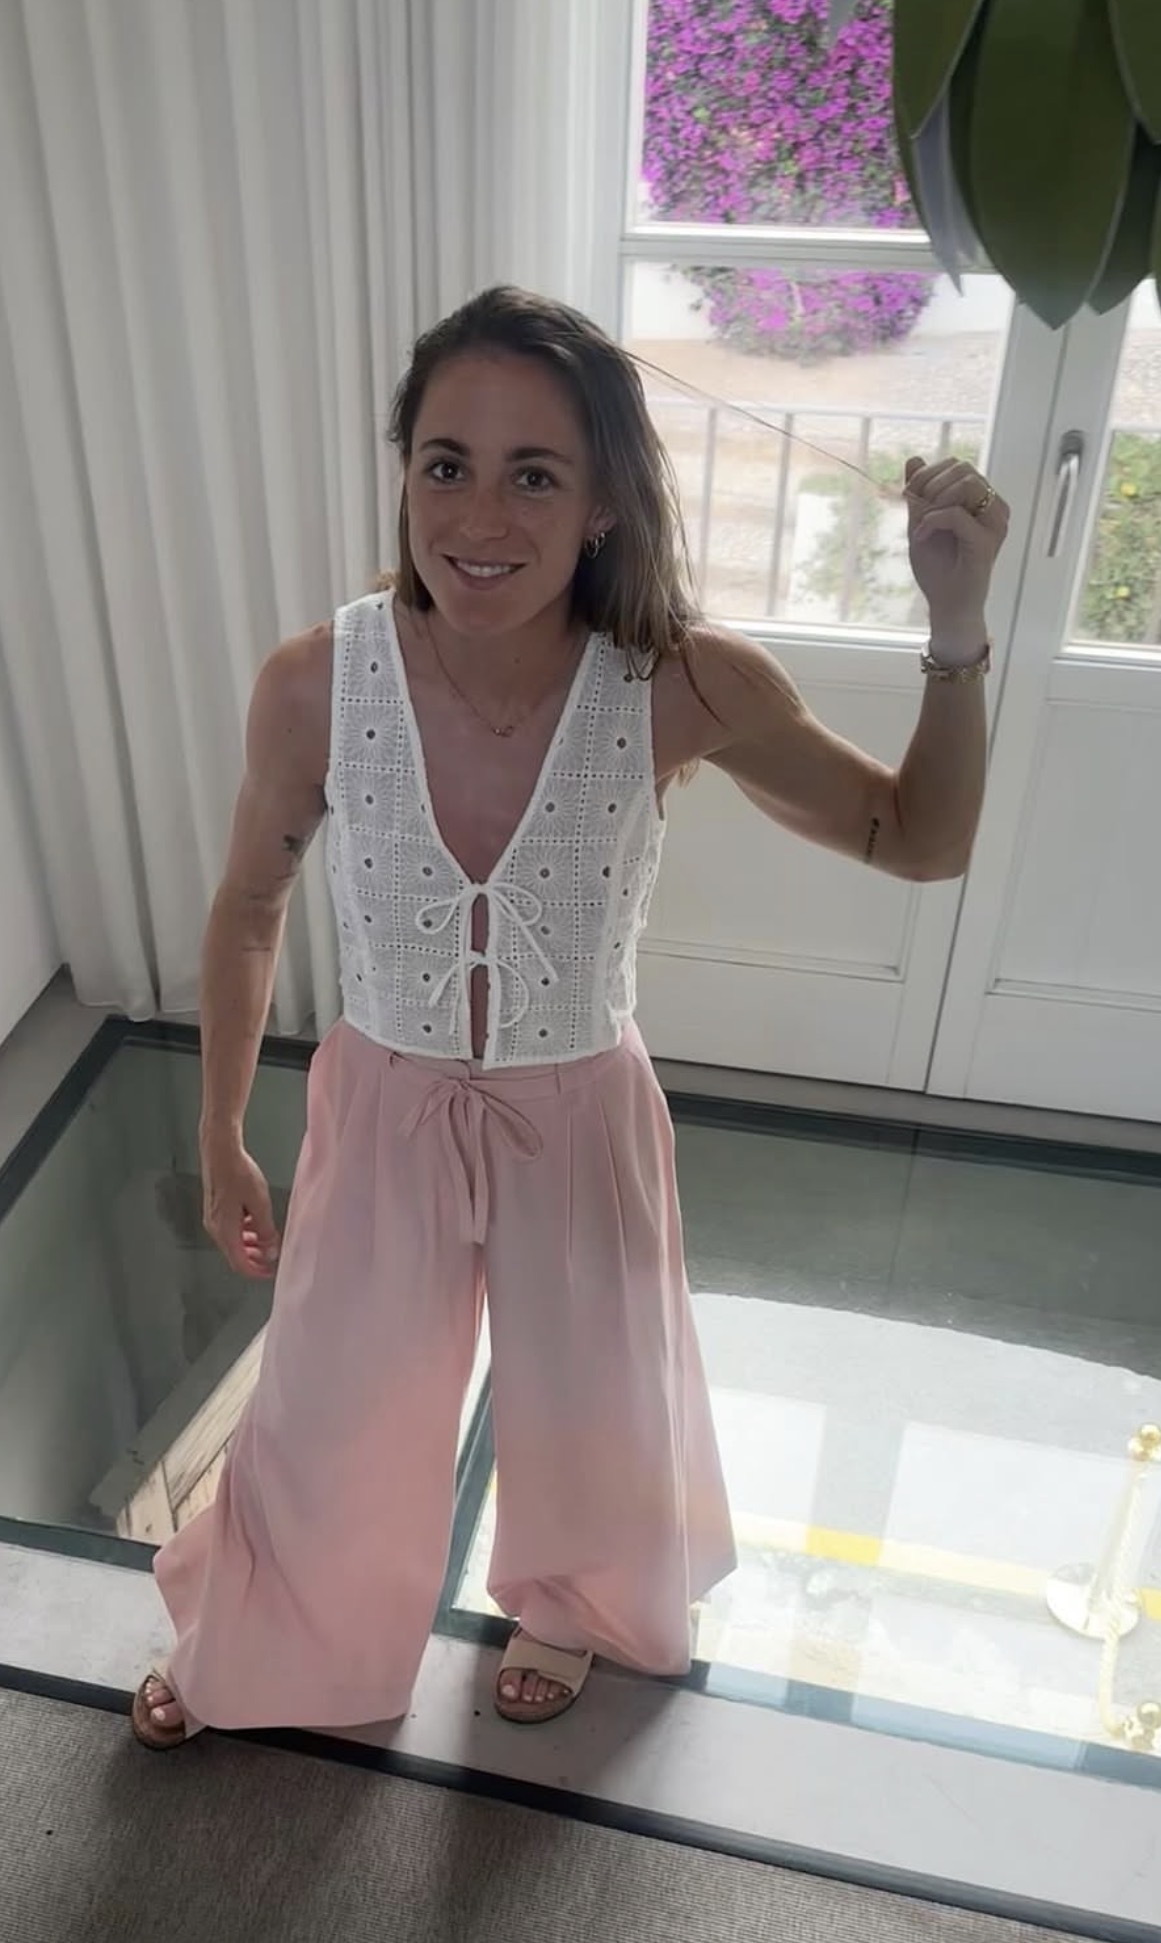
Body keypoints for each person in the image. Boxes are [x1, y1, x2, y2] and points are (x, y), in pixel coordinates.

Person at [132, 285, 1007, 1750]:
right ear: (405, 471)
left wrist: (958, 623)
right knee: (331, 1412)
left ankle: (576, 1607)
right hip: (385, 1109)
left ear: (602, 503)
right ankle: (274, 1638)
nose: (480, 516)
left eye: (534, 475)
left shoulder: (680, 682)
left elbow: (919, 838)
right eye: (447, 464)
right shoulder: (316, 683)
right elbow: (248, 906)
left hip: (580, 1112)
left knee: (595, 1406)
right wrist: (222, 1133)